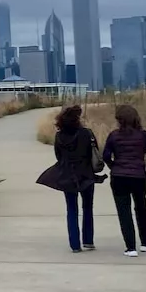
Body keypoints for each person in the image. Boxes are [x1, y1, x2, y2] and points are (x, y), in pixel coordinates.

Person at [42, 105, 100, 253]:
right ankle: (88, 240)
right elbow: (94, 153)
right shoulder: (87, 134)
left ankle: (75, 244)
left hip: (67, 175)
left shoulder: (59, 136)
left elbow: (58, 156)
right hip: (86, 174)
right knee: (87, 207)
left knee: (71, 209)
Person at [102, 105, 146, 257]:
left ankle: (131, 247)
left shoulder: (113, 135)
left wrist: (113, 166)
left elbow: (105, 155)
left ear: (119, 120)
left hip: (119, 176)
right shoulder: (143, 135)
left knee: (124, 211)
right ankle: (145, 243)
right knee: (141, 208)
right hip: (139, 176)